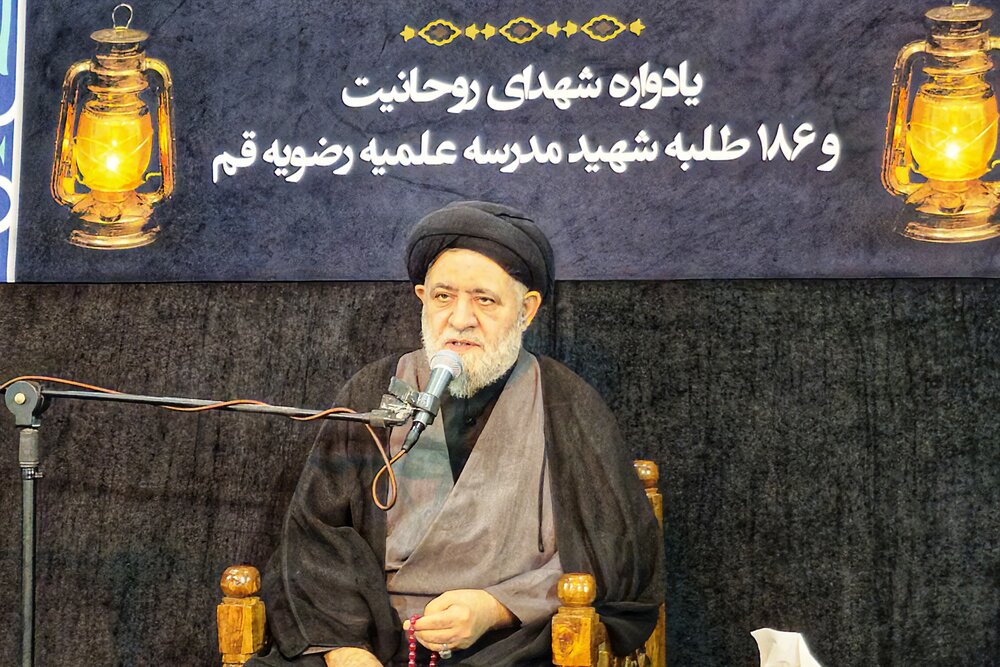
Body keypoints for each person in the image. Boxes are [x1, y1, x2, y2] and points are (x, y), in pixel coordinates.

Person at [248, 201, 663, 667]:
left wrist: (496, 608)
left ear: (526, 310)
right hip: (374, 636)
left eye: (484, 300)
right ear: (422, 298)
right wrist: (345, 651)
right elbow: (314, 539)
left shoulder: (566, 403)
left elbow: (615, 555)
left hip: (511, 643)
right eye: (443, 297)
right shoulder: (374, 390)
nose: (460, 318)